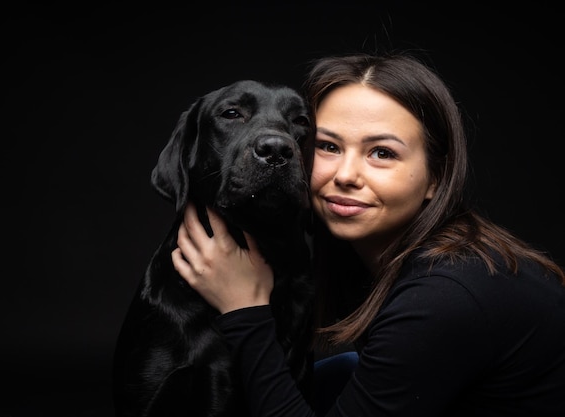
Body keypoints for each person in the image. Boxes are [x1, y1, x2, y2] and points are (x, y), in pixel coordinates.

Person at [170, 52, 565, 416]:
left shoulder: (446, 294)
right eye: (328, 146)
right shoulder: (367, 255)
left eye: (382, 153)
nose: (345, 175)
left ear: (436, 178)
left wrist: (244, 310)